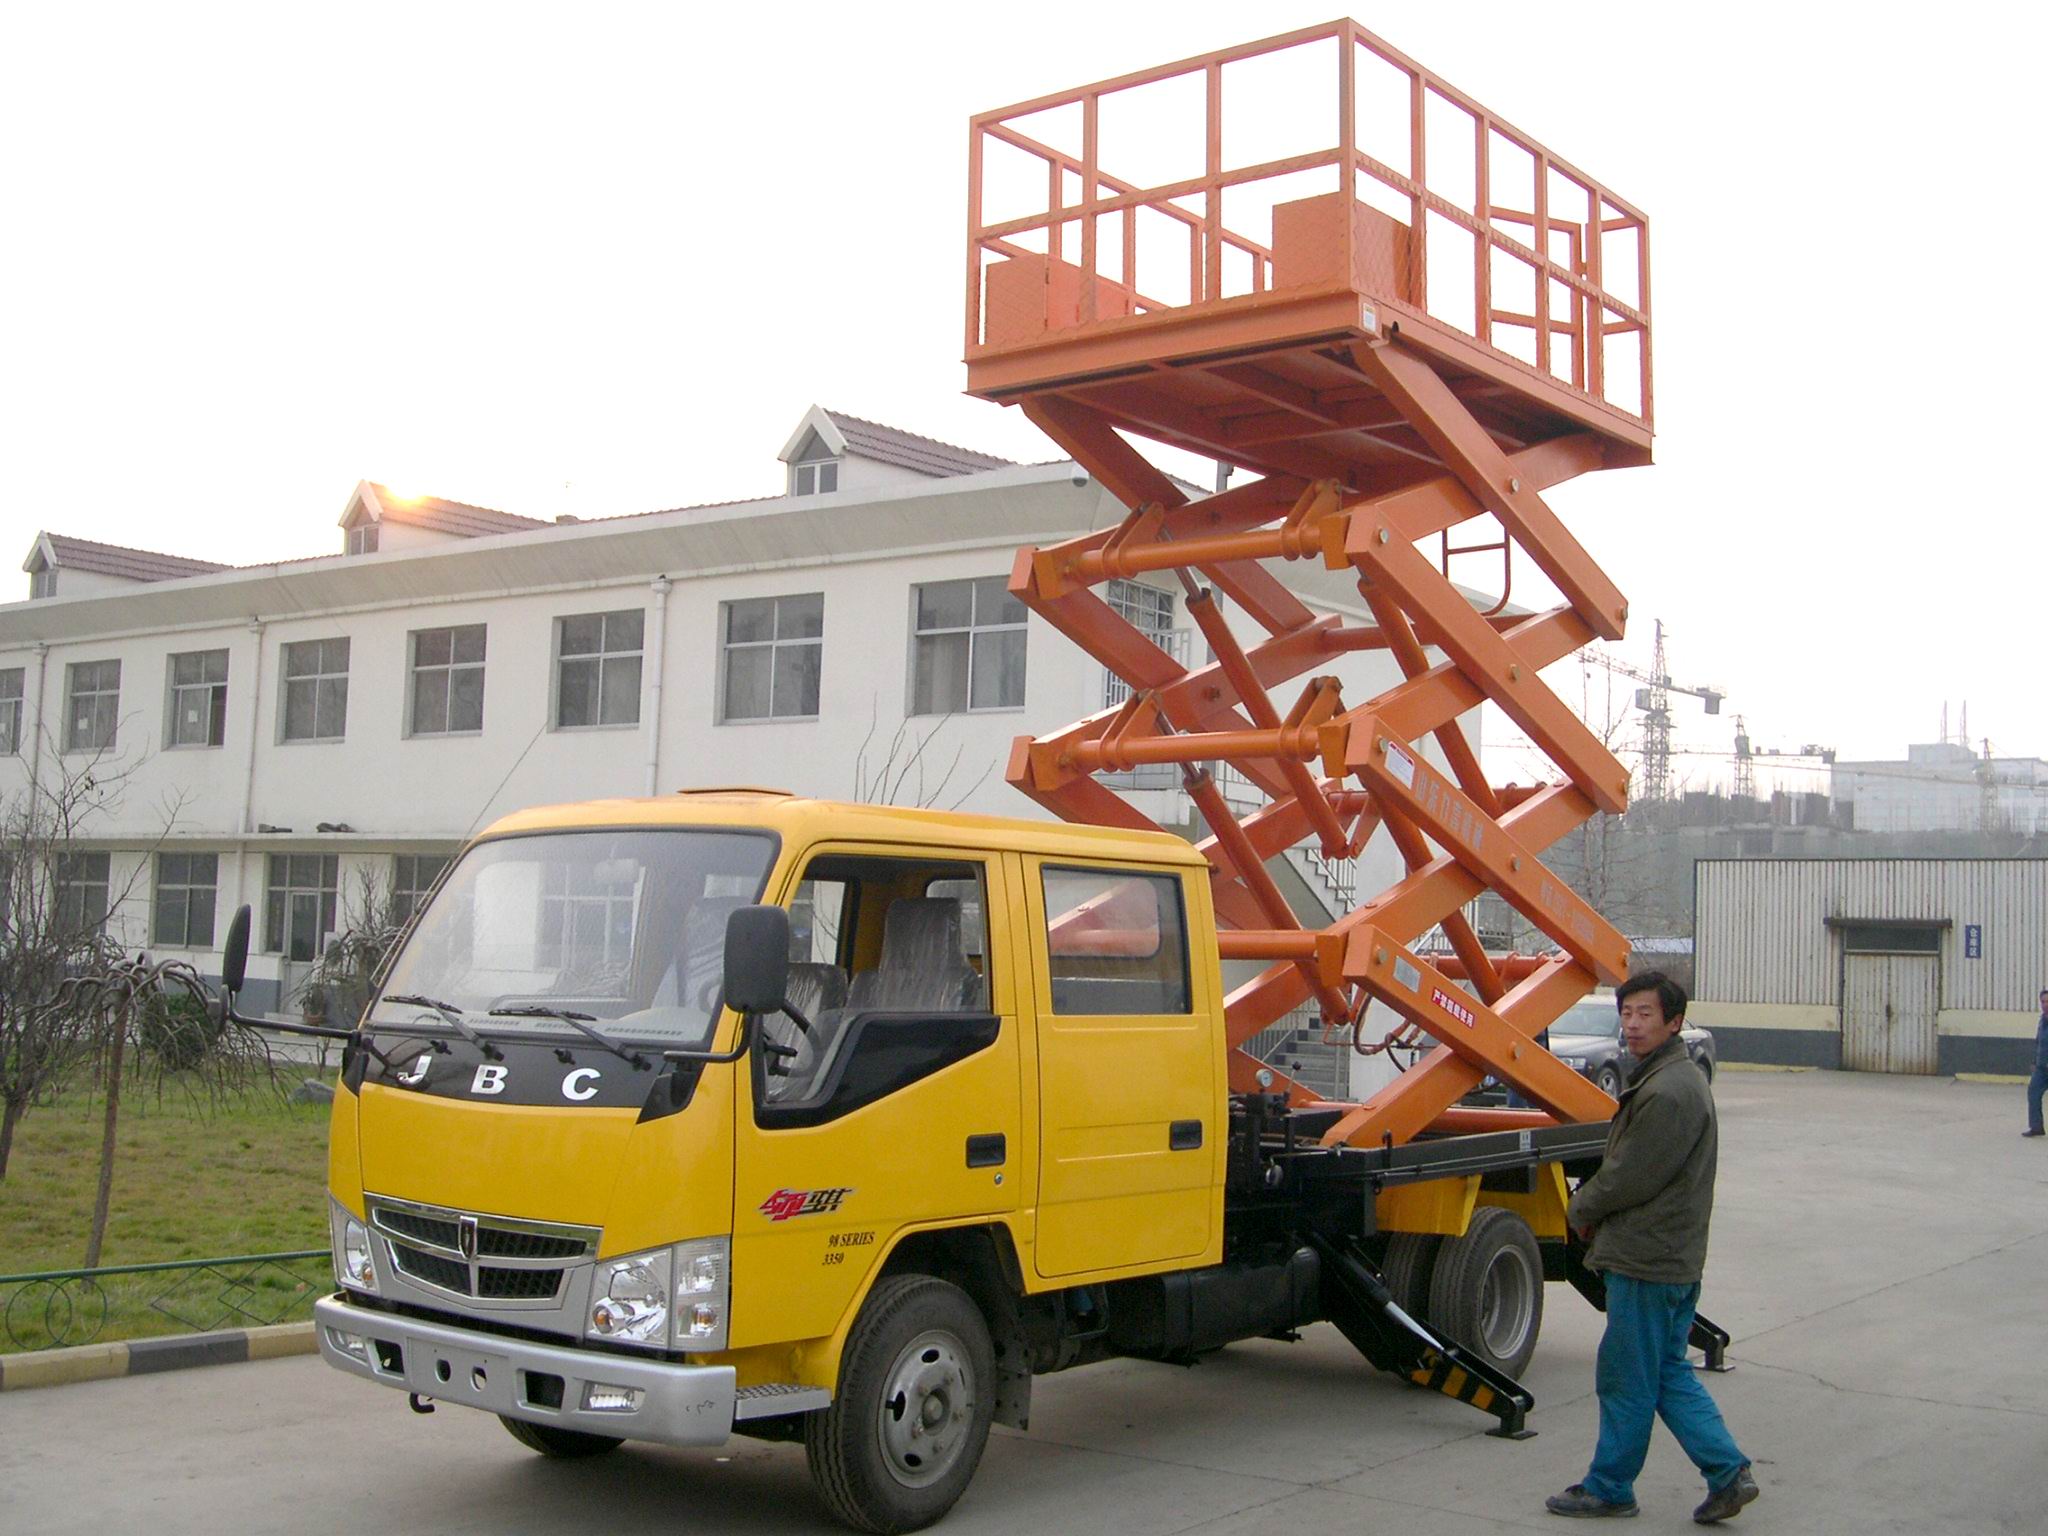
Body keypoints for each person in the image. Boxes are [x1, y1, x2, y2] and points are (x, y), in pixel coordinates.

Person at [1546, 972, 1758, 1524]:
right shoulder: (1669, 1080)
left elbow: (1631, 1176)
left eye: (1645, 1014)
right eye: (1627, 1013)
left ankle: (1610, 1486)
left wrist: (1581, 1208)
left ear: (1674, 1022)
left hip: (1647, 1258)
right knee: (1666, 1373)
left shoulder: (1668, 1091)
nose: (1633, 1024)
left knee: (1625, 1378)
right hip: (1669, 1256)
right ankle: (1728, 1472)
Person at [2024, 989, 2048, 1139]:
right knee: (2033, 1093)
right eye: (2043, 1001)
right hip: (2041, 1068)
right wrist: (2035, 1061)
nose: (2045, 1004)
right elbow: (2039, 1042)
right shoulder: (2042, 1020)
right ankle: (2036, 1127)